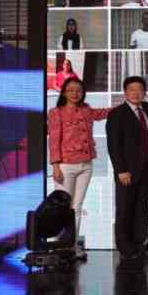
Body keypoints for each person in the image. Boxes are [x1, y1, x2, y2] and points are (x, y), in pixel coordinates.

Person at [105, 76, 148, 261]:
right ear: (125, 92)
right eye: (132, 89)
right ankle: (125, 248)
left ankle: (140, 244)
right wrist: (121, 170)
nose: (136, 93)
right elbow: (114, 146)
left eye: (140, 89)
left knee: (142, 208)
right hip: (126, 171)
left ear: (145, 92)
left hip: (147, 167)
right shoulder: (117, 114)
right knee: (125, 208)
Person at [48, 77, 112, 256]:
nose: (75, 93)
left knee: (77, 207)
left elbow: (103, 113)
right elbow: (54, 141)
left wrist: (125, 107)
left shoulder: (86, 110)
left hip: (86, 164)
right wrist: (55, 167)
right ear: (64, 93)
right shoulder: (56, 113)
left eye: (78, 90)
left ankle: (71, 245)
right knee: (62, 207)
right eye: (71, 90)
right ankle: (56, 244)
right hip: (65, 166)